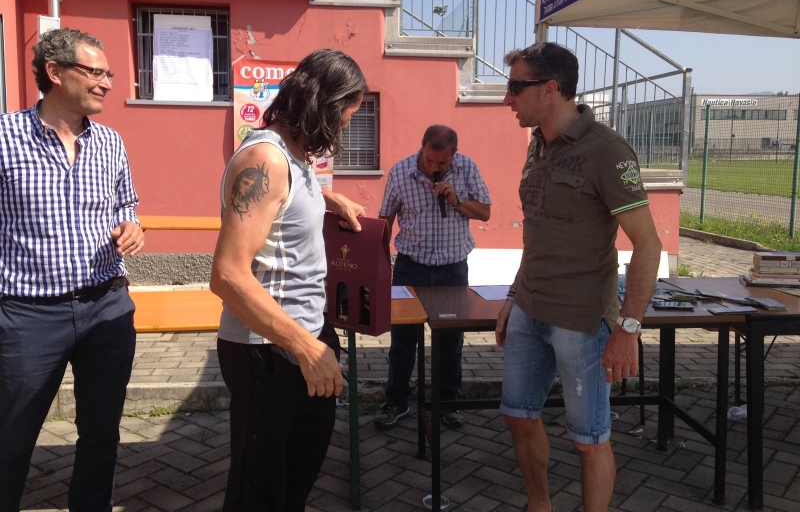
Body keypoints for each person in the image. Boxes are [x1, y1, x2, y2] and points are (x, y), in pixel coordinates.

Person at [496, 42, 662, 512]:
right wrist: (513, 295)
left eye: (516, 87)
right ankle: (540, 506)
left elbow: (648, 244)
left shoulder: (607, 151)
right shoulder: (538, 144)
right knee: (518, 416)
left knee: (589, 439)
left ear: (550, 88)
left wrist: (628, 329)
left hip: (581, 320)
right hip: (530, 307)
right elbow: (538, 229)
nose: (508, 98)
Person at [210, 48, 368, 511]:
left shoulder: (295, 159)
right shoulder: (265, 158)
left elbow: (284, 203)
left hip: (304, 337)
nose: (343, 129)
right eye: (344, 117)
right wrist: (305, 348)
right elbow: (227, 276)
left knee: (294, 480)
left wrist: (329, 198)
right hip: (269, 351)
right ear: (323, 104)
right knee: (258, 493)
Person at [0, 28, 144, 512]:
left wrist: (132, 226)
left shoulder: (110, 143)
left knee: (101, 433)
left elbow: (126, 203)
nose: (107, 83)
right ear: (55, 72)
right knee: (12, 435)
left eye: (109, 73)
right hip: (28, 315)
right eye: (96, 72)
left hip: (106, 307)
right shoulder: (5, 138)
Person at [375, 125, 491, 429]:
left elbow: (485, 212)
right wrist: (379, 263)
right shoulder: (401, 171)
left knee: (450, 340)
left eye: (442, 162)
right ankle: (397, 402)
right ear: (422, 146)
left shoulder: (467, 168)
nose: (433, 167)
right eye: (429, 159)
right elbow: (386, 218)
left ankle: (447, 403)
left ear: (454, 154)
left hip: (452, 269)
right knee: (402, 340)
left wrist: (456, 200)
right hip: (410, 267)